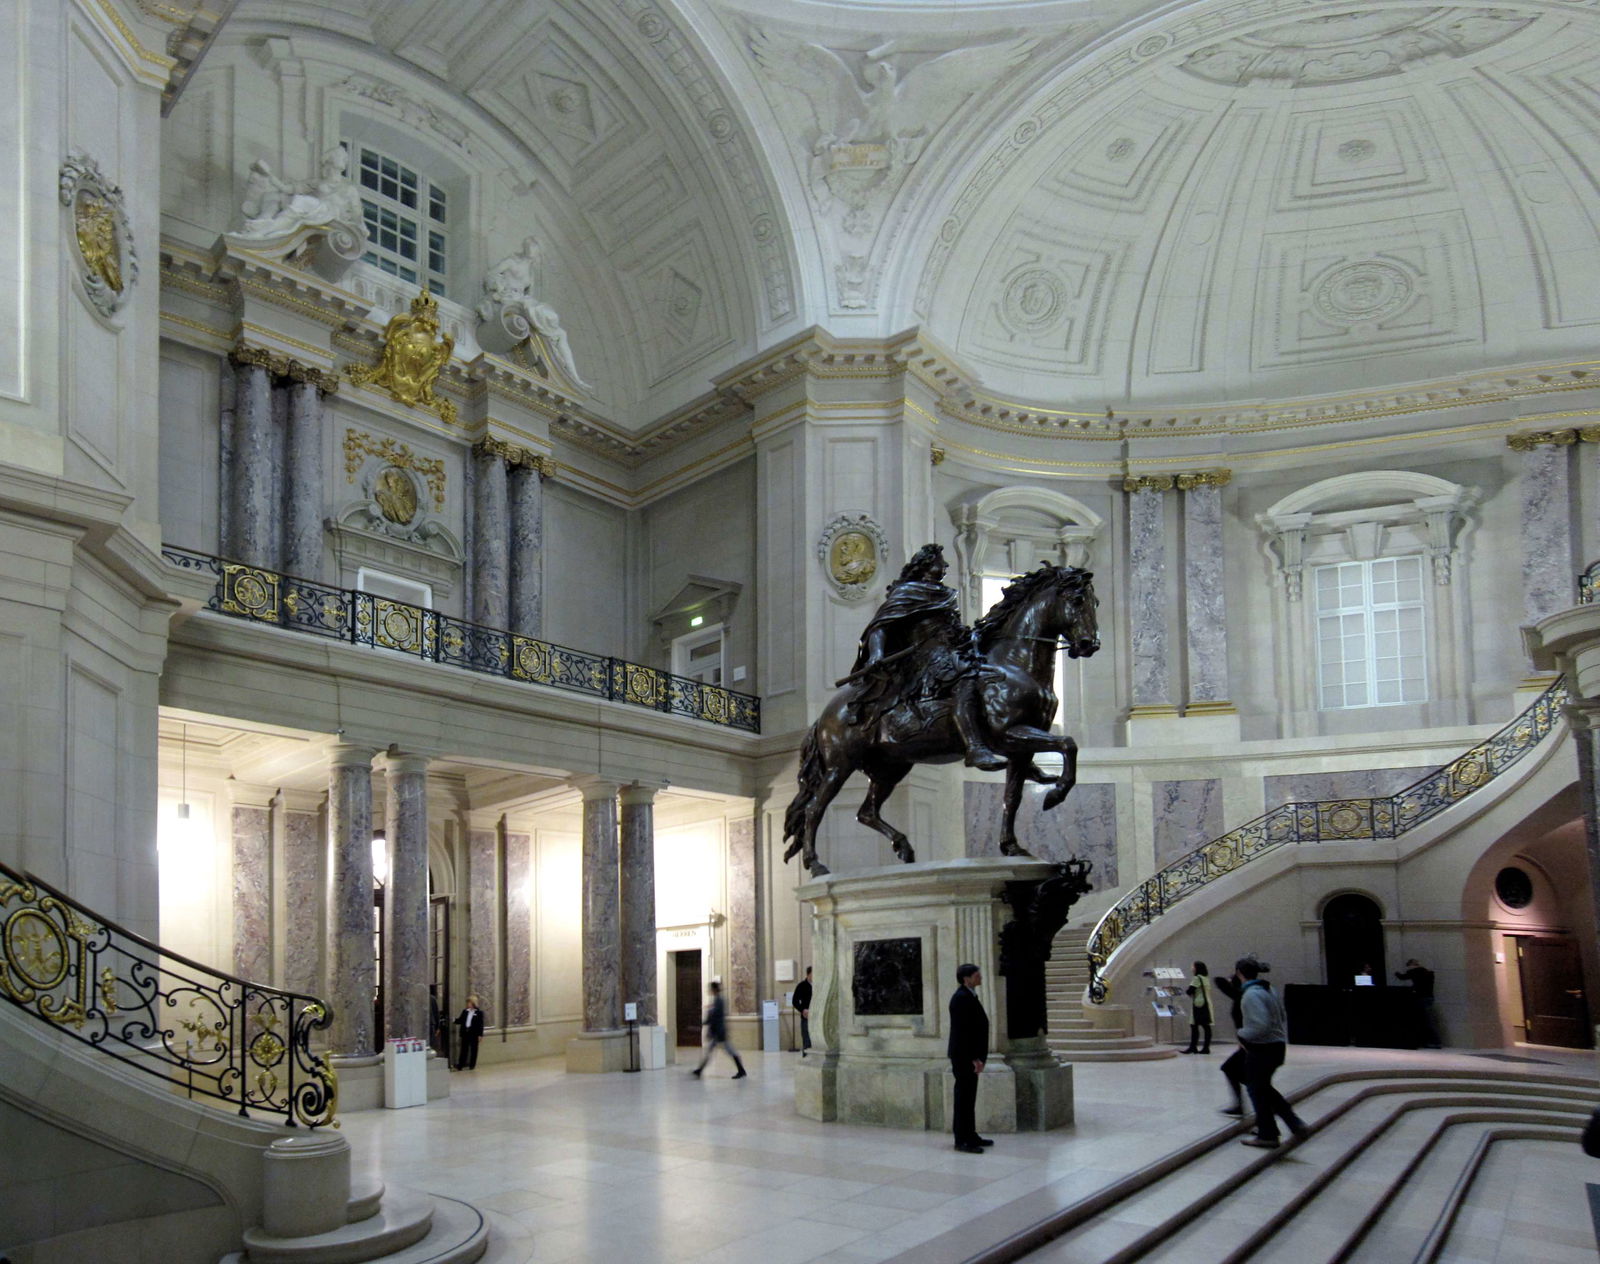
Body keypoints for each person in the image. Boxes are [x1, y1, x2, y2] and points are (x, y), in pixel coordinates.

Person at [842, 544, 1006, 770]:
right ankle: (975, 746)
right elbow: (880, 627)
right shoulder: (907, 592)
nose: (946, 565)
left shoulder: (944, 595)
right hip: (923, 657)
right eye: (941, 562)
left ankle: (1007, 740)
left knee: (991, 674)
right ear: (926, 565)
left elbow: (952, 629)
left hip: (952, 651)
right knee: (965, 676)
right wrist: (877, 654)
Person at [1235, 958, 1309, 1148]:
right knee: (1263, 1088)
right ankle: (1292, 1123)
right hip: (1276, 1045)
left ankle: (1269, 1133)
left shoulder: (1251, 995)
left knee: (1256, 1089)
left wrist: (1241, 1033)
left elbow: (1260, 1025)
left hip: (1262, 1048)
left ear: (1239, 973)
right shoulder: (1269, 990)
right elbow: (1281, 1016)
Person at [948, 962, 992, 1153]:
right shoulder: (960, 998)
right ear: (966, 979)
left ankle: (970, 1134)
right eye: (977, 975)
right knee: (963, 1099)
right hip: (964, 1057)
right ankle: (962, 1140)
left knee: (969, 1098)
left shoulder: (969, 996)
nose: (980, 977)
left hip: (969, 1057)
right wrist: (974, 1058)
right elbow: (963, 1032)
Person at [692, 980, 747, 1079]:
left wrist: (706, 1022)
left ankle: (741, 1070)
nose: (709, 990)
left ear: (713, 989)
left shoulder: (719, 1000)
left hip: (719, 1032)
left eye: (710, 989)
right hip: (718, 1031)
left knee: (729, 1051)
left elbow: (715, 1017)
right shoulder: (718, 1000)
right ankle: (700, 1070)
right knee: (712, 1050)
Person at [1395, 958, 1442, 1047]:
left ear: (1412, 965)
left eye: (1409, 967)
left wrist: (1396, 973)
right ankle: (1434, 1041)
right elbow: (1422, 984)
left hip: (1421, 998)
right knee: (1429, 1020)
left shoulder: (1414, 972)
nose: (1408, 969)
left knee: (1426, 1021)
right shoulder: (1428, 973)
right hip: (1429, 997)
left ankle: (1435, 1042)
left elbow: (1402, 977)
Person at [1180, 961, 1212, 1054]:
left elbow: (1190, 990)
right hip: (1206, 1003)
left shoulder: (1197, 978)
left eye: (1193, 966)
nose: (1191, 968)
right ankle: (1205, 1047)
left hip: (1199, 1004)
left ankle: (1193, 1047)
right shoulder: (1205, 978)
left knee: (1194, 1026)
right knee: (1206, 1026)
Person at [453, 994, 485, 1070]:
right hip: (465, 1032)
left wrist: (480, 1035)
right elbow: (460, 1020)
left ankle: (472, 1065)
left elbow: (480, 1024)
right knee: (464, 1049)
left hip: (474, 1033)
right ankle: (461, 1065)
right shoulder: (465, 1011)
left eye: (469, 1002)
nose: (468, 1004)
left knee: (474, 1049)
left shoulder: (479, 1013)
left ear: (473, 1003)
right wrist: (453, 1020)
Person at [792, 966, 813, 1056]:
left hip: (817, 1017)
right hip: (806, 1017)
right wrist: (802, 1010)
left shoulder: (819, 985)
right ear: (808, 974)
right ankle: (806, 1060)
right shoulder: (802, 986)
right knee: (807, 1040)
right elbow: (795, 1001)